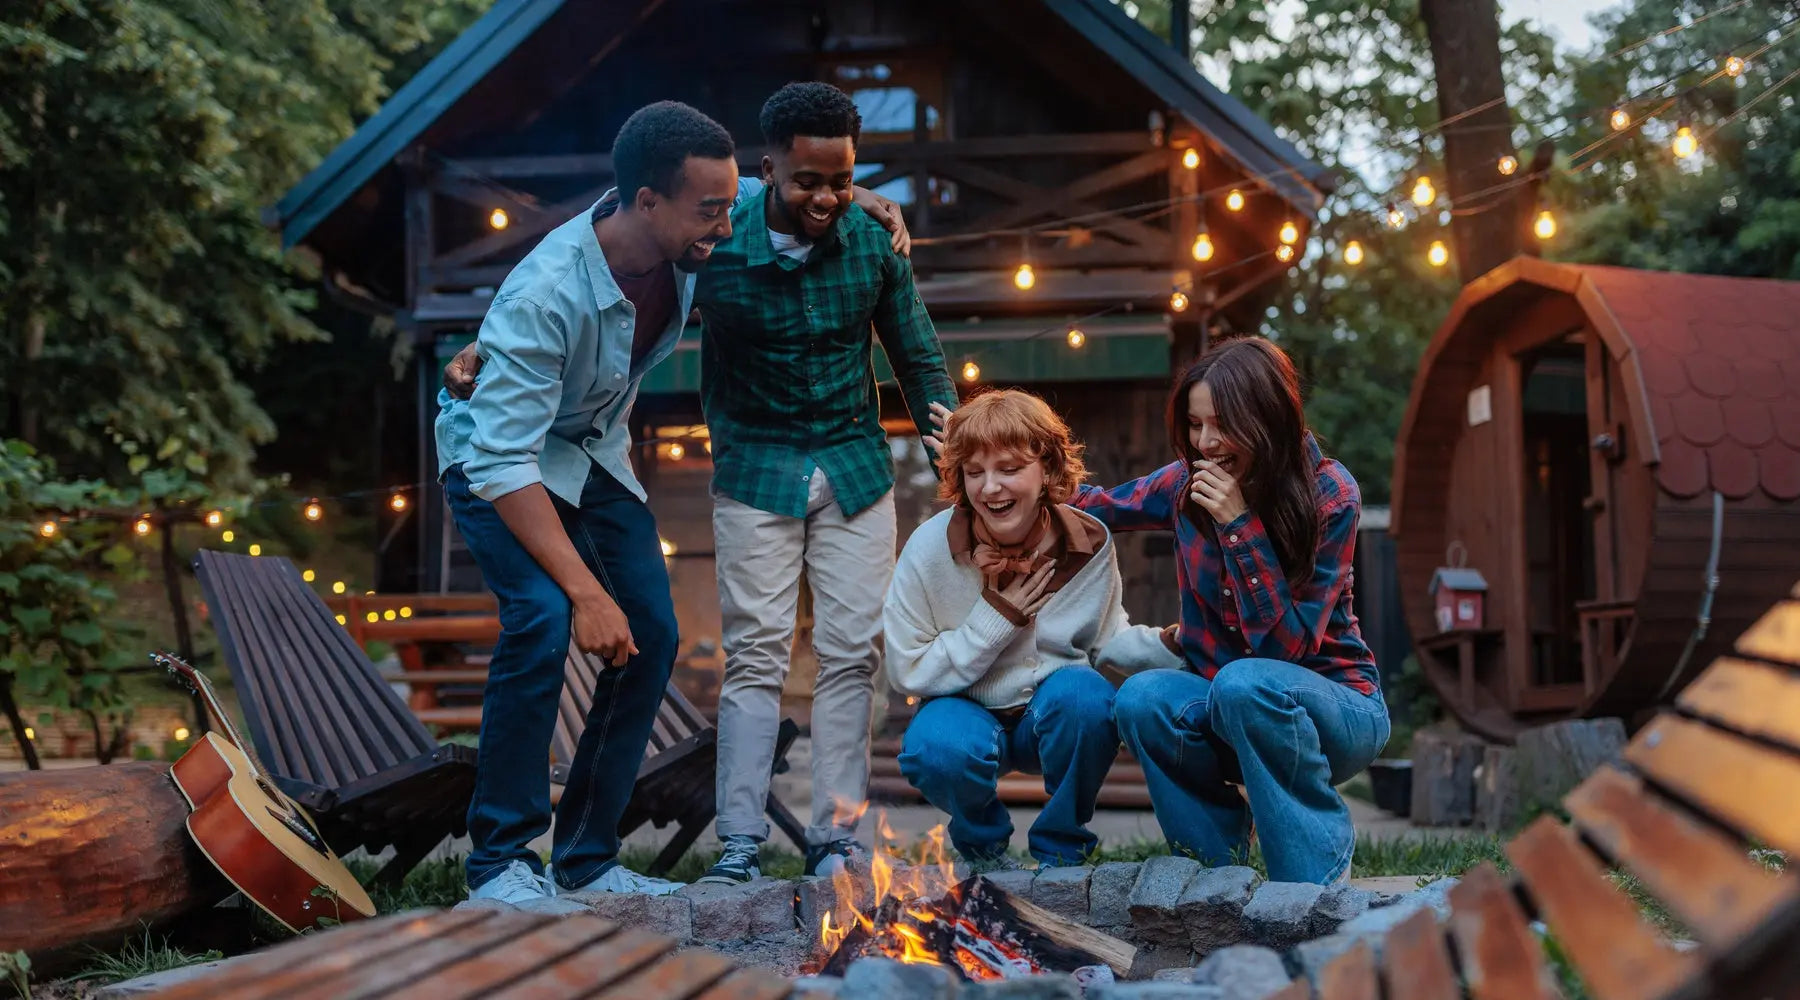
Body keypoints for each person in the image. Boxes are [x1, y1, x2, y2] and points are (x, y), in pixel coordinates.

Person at [435, 99, 909, 906]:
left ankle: (585, 857)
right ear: (643, 202)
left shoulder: (690, 232)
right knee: (544, 622)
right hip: (496, 466)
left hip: (589, 458)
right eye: (710, 211)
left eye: (732, 205)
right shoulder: (546, 295)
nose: (728, 226)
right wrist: (585, 594)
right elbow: (504, 459)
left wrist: (850, 196)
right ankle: (501, 862)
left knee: (651, 633)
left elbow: (776, 192)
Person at [691, 81, 957, 885]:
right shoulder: (714, 240)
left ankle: (836, 835)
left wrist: (954, 447)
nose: (829, 196)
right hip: (754, 469)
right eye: (809, 180)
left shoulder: (873, 242)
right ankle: (739, 840)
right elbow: (620, 242)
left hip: (853, 467)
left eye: (843, 178)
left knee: (851, 654)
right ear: (766, 168)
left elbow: (917, 355)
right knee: (756, 656)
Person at [1063, 336, 1390, 884]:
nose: (1205, 442)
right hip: (1227, 706)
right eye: (1194, 425)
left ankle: (1312, 886)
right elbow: (1089, 508)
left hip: (1339, 710)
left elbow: (1285, 648)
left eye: (1222, 424)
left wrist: (1240, 527)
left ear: (1266, 416)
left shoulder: (1331, 493)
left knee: (1245, 683)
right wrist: (990, 463)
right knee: (1143, 697)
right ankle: (1214, 882)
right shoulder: (1182, 485)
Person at [884, 389, 1180, 868]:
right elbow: (907, 669)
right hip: (963, 711)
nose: (990, 488)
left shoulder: (1087, 542)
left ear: (1047, 470)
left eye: (1009, 468)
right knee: (934, 747)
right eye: (974, 472)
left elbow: (1106, 640)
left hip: (1053, 710)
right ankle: (982, 849)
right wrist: (996, 619)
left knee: (1088, 697)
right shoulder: (927, 549)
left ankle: (1061, 850)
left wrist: (1173, 644)